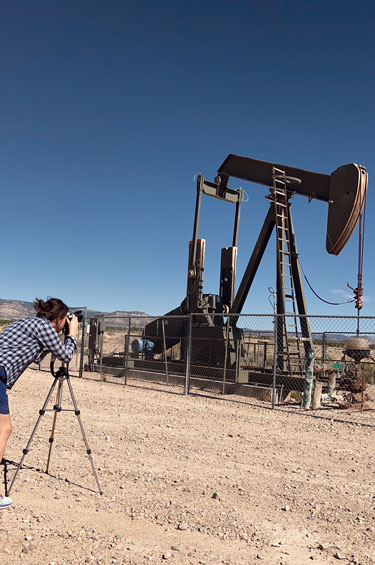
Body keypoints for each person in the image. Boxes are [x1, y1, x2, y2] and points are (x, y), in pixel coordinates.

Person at [0, 297, 78, 509]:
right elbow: (65, 355)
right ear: (59, 318)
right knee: (4, 430)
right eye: (65, 319)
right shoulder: (44, 328)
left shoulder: (27, 323)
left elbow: (35, 354)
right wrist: (72, 334)